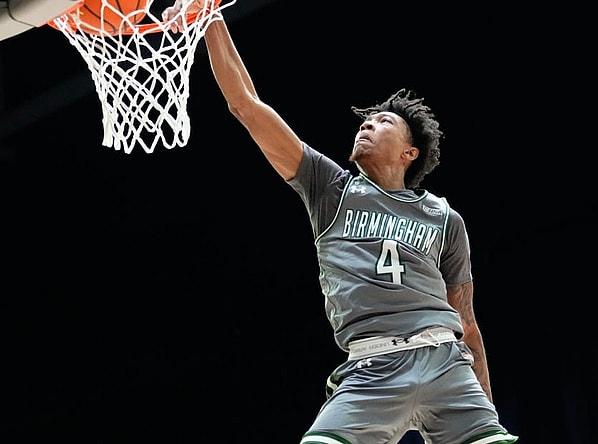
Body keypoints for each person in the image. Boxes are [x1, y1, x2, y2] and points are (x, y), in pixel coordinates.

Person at [163, 2, 519, 443]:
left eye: (383, 121)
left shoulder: (445, 217)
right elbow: (246, 106)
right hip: (370, 368)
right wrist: (210, 17)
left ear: (410, 153)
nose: (367, 124)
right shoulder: (330, 187)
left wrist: (485, 403)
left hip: (445, 363)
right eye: (366, 120)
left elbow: (466, 319)